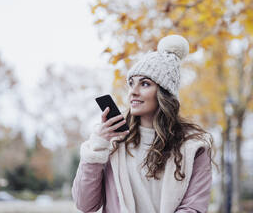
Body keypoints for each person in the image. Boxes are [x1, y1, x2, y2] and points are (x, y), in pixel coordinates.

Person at [72, 35, 215, 213]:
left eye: (145, 84)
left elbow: (193, 208)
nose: (133, 92)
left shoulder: (193, 147)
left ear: (164, 93)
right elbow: (85, 205)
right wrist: (97, 148)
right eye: (131, 84)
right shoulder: (113, 141)